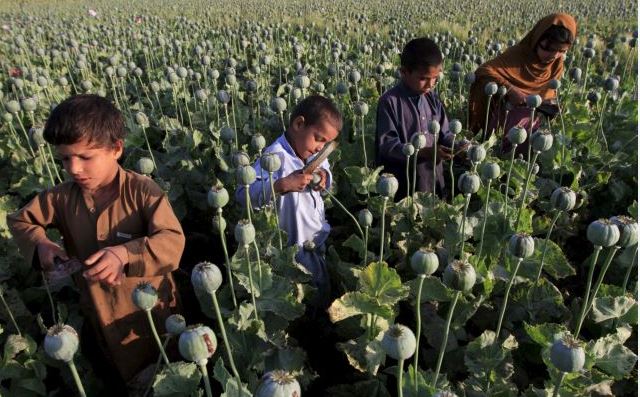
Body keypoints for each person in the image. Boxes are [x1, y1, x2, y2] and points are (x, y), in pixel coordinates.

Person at [7, 94, 185, 393]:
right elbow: (20, 221)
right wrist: (41, 244)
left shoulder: (143, 191)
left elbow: (172, 242)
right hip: (98, 314)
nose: (74, 168)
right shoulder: (61, 197)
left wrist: (124, 254)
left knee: (167, 375)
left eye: (85, 157)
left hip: (152, 315)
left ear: (116, 149)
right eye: (65, 158)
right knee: (115, 375)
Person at [236, 95, 341, 308]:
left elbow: (327, 172)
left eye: (326, 143)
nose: (321, 147)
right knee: (295, 299)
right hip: (290, 251)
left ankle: (320, 325)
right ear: (299, 124)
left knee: (321, 290)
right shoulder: (273, 158)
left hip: (316, 241)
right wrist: (280, 185)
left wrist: (323, 178)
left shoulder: (315, 155)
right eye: (319, 138)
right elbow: (243, 194)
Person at [468, 13, 577, 152]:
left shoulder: (557, 64)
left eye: (562, 51)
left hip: (536, 121)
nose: (554, 56)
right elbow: (484, 71)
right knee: (515, 127)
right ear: (537, 39)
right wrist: (511, 90)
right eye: (548, 49)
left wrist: (551, 106)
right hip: (505, 112)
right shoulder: (518, 54)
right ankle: (496, 152)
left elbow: (548, 95)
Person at [376, 37, 466, 200]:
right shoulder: (390, 102)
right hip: (404, 188)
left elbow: (445, 134)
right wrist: (424, 152)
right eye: (423, 78)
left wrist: (458, 147)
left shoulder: (433, 99)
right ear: (404, 72)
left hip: (434, 181)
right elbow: (387, 147)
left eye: (435, 78)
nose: (430, 84)